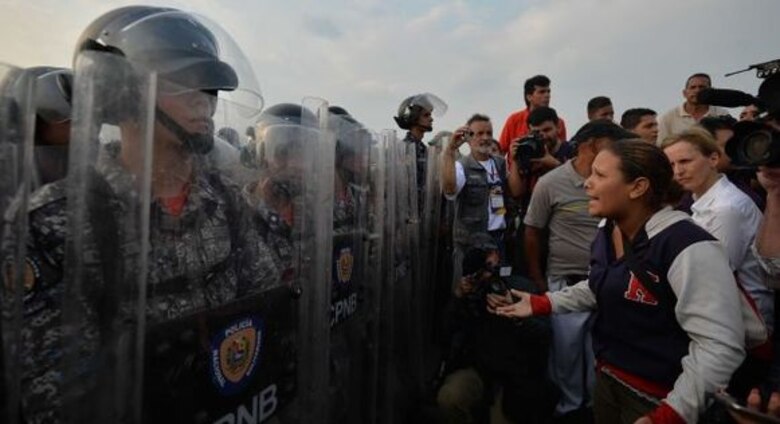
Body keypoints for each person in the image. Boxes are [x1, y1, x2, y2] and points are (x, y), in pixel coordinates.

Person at [3, 6, 285, 423]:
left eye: (208, 86)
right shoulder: (52, 224)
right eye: (182, 82)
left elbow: (268, 305)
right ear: (123, 95)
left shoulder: (226, 199)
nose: (204, 100)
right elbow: (59, 397)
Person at [491, 140, 752, 423]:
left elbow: (720, 345)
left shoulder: (688, 246)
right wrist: (541, 303)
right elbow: (603, 285)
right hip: (608, 382)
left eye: (600, 175)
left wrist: (672, 414)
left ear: (637, 187)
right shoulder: (608, 230)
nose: (587, 183)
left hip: (655, 399)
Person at [523, 119, 635, 422]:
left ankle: (596, 410)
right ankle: (568, 411)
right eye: (614, 145)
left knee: (601, 355)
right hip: (566, 282)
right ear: (594, 145)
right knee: (567, 356)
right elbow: (532, 232)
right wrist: (538, 280)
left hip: (607, 284)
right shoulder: (551, 183)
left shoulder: (618, 183)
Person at [662, 127, 774, 333]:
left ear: (713, 159)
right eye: (671, 165)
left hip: (744, 324)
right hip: (722, 314)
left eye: (685, 161)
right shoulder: (701, 199)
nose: (678, 171)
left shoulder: (726, 208)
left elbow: (713, 276)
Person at [435, 232, 555, 424]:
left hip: (516, 375)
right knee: (450, 397)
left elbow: (544, 335)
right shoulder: (471, 292)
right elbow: (445, 333)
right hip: (480, 370)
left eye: (489, 261)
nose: (486, 274)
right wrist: (458, 299)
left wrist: (515, 313)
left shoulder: (520, 288)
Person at [442, 114, 521, 270]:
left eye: (489, 133)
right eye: (479, 133)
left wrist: (516, 160)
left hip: (498, 238)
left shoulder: (500, 163)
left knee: (498, 283)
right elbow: (449, 190)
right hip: (471, 243)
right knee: (470, 283)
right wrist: (450, 150)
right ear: (469, 138)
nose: (485, 138)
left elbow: (516, 191)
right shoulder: (461, 166)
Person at [394, 93, 447, 211]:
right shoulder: (406, 148)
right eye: (426, 115)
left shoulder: (423, 149)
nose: (431, 119)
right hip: (410, 213)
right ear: (413, 117)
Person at [499, 74, 568, 156]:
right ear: (529, 97)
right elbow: (501, 151)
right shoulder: (514, 120)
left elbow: (562, 151)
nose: (547, 95)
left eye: (548, 91)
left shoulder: (558, 122)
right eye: (541, 92)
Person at [657, 73, 730, 144]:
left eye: (702, 87)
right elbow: (660, 145)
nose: (697, 90)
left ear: (711, 91)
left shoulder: (721, 114)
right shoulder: (668, 118)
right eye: (693, 87)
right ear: (684, 93)